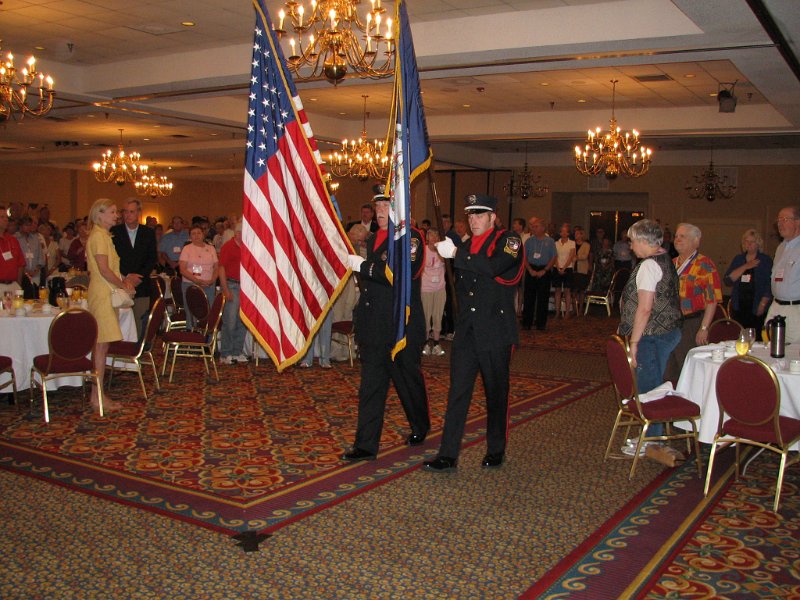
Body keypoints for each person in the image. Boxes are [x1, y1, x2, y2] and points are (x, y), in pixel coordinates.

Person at [423, 194, 524, 472]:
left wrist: (457, 254)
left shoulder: (510, 240)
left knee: (496, 393)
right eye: (470, 215)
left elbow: (494, 267)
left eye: (480, 215)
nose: (474, 220)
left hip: (495, 330)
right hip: (467, 331)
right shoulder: (467, 244)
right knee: (458, 392)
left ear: (493, 217)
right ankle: (448, 453)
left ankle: (496, 448)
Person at [342, 192, 429, 461]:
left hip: (399, 324)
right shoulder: (372, 237)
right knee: (371, 385)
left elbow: (397, 275)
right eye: (377, 205)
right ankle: (366, 445)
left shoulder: (411, 238)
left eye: (386, 205)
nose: (380, 210)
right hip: (374, 324)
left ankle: (420, 424)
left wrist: (364, 266)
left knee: (407, 381)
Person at [617, 219, 682, 454]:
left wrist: (634, 342)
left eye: (633, 241)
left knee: (649, 388)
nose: (631, 246)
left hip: (652, 334)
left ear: (644, 241)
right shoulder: (664, 257)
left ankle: (652, 440)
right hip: (666, 331)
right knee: (654, 386)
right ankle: (656, 436)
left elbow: (645, 307)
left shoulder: (648, 266)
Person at [86, 198, 136, 414]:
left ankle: (97, 393)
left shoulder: (105, 236)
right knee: (100, 345)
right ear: (100, 214)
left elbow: (112, 269)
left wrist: (124, 280)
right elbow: (104, 270)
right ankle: (97, 395)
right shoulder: (98, 236)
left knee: (103, 346)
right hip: (102, 293)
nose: (117, 215)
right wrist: (124, 284)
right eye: (113, 212)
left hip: (107, 292)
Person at [663, 223, 722, 383]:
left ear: (696, 241)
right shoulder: (671, 263)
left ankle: (692, 404)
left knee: (687, 369)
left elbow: (712, 299)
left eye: (683, 236)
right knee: (668, 369)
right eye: (676, 236)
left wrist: (704, 328)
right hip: (669, 324)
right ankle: (671, 403)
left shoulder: (704, 264)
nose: (677, 239)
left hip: (691, 323)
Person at [111, 198, 158, 339]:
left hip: (141, 284)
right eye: (125, 211)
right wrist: (125, 276)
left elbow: (151, 258)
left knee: (139, 321)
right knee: (118, 322)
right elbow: (112, 258)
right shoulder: (114, 232)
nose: (128, 215)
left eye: (131, 211)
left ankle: (137, 352)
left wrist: (138, 276)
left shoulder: (148, 232)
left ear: (138, 212)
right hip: (119, 283)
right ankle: (119, 353)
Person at [724, 229, 772, 339]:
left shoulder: (765, 260)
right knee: (739, 335)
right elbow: (728, 280)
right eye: (746, 241)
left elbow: (769, 284)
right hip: (739, 305)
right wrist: (746, 266)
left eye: (752, 241)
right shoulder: (739, 259)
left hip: (757, 304)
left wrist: (763, 303)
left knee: (757, 336)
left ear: (758, 243)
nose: (749, 244)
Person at [765, 206, 800, 343]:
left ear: (797, 222)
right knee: (770, 346)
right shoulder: (781, 247)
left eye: (785, 219)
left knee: (793, 352)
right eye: (778, 220)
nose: (780, 223)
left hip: (795, 309)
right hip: (776, 306)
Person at [218, 222, 250, 365]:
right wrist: (225, 289)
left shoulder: (248, 248)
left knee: (242, 321)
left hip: (245, 287)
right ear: (237, 233)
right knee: (230, 321)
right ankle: (226, 353)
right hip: (232, 284)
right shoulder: (228, 247)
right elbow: (221, 268)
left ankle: (237, 351)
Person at [179, 224, 218, 329]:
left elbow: (216, 266)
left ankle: (208, 337)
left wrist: (213, 279)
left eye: (199, 233)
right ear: (190, 236)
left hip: (209, 284)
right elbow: (182, 269)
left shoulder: (210, 248)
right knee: (191, 311)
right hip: (190, 284)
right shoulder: (187, 249)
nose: (196, 236)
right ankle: (191, 336)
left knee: (209, 311)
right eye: (193, 233)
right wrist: (196, 280)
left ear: (203, 234)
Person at [521, 217, 556, 331]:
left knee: (543, 298)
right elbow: (524, 257)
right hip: (531, 269)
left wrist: (545, 270)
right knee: (528, 298)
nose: (533, 228)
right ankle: (527, 322)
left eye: (536, 227)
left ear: (542, 228)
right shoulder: (529, 241)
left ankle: (541, 323)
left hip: (544, 270)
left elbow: (553, 257)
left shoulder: (550, 241)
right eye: (533, 226)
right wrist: (530, 270)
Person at [421, 227, 446, 357]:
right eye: (431, 235)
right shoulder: (423, 250)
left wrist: (439, 250)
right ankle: (425, 343)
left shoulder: (442, 250)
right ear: (427, 237)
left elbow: (445, 263)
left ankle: (436, 343)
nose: (434, 238)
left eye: (436, 235)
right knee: (426, 316)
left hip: (440, 288)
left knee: (438, 316)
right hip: (426, 288)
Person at [0, 207, 25, 296]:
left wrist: (18, 284)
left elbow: (20, 264)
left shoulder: (13, 240)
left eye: (6, 217)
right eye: (2, 217)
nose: (6, 220)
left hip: (13, 285)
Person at [553, 223, 576, 318]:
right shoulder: (555, 243)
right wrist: (558, 267)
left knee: (567, 290)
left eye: (565, 231)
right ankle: (557, 312)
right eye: (562, 231)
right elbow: (554, 256)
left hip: (568, 268)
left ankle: (567, 312)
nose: (563, 233)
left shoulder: (572, 243)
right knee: (557, 290)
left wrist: (564, 268)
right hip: (557, 268)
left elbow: (571, 257)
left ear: (568, 233)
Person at [15, 216, 44, 286]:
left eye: (29, 225)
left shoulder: (36, 239)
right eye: (26, 225)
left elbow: (40, 257)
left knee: (35, 294)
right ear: (20, 226)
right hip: (21, 274)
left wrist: (36, 270)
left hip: (36, 274)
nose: (28, 227)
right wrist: (25, 271)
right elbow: (16, 258)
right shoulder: (15, 238)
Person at [572, 225, 591, 315]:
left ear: (581, 235)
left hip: (582, 270)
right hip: (573, 269)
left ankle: (580, 309)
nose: (575, 235)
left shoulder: (586, 245)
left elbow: (585, 256)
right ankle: (574, 309)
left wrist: (576, 257)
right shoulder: (572, 244)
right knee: (574, 290)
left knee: (581, 290)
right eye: (575, 233)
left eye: (577, 234)